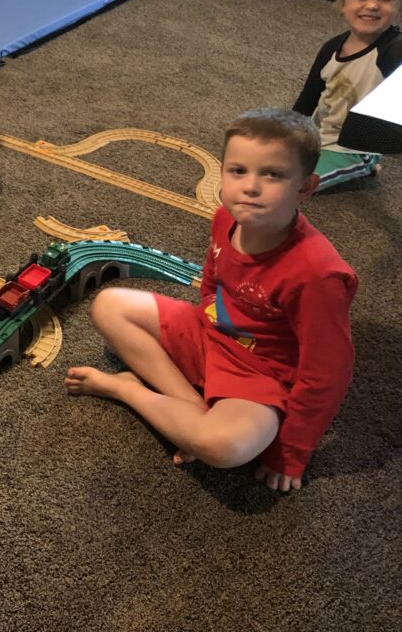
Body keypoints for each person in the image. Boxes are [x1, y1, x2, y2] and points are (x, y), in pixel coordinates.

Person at [65, 108, 357, 492]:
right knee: (109, 305)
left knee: (225, 446)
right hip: (211, 335)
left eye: (272, 174)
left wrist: (291, 451)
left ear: (304, 187)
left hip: (260, 374)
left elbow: (327, 373)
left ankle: (127, 389)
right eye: (238, 171)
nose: (250, 187)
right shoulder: (225, 217)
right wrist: (206, 319)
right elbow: (212, 282)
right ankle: (191, 407)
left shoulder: (319, 274)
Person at [293, 0, 402, 191]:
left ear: (399, 9)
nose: (372, 5)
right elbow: (308, 97)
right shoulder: (331, 48)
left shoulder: (392, 50)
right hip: (319, 133)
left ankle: (365, 166)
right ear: (344, 2)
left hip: (354, 148)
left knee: (295, 183)